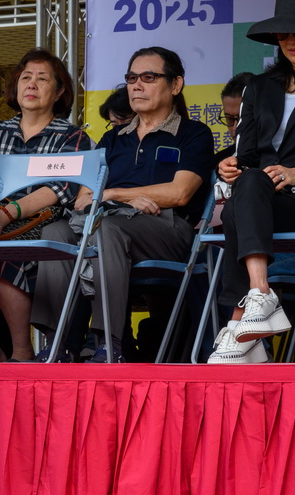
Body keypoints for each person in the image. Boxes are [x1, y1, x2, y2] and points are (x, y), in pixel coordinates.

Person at [31, 46, 214, 363]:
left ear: (175, 85)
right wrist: (117, 197)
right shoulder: (113, 139)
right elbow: (84, 198)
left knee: (108, 231)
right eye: (132, 78)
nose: (137, 86)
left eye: (148, 77)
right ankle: (58, 344)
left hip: (168, 227)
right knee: (57, 233)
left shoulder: (193, 133)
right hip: (110, 222)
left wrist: (116, 194)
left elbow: (180, 193)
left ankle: (109, 345)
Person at [0, 49, 91, 363]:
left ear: (60, 91)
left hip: (42, 220)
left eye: (42, 79)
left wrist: (7, 213)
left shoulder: (72, 136)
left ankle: (21, 351)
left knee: (2, 252)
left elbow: (61, 188)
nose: (32, 84)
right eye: (26, 77)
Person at [210, 0, 295, 364]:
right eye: (284, 33)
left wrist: (294, 173)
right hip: (266, 201)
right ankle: (260, 295)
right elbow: (245, 155)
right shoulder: (259, 87)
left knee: (234, 212)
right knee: (246, 185)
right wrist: (228, 165)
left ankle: (240, 325)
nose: (291, 40)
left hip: (287, 201)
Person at [215, 71, 254, 163]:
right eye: (229, 119)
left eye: (241, 118)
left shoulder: (278, 162)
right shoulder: (217, 162)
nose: (235, 128)